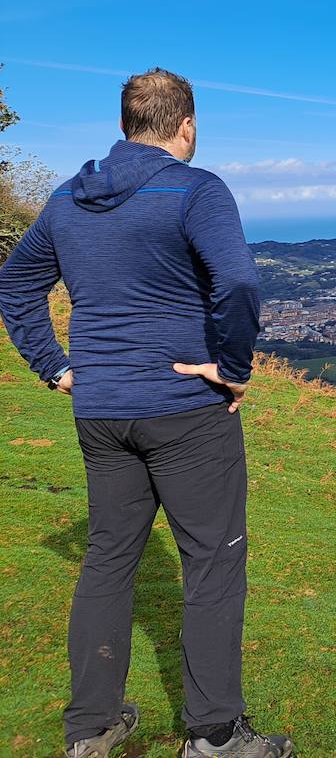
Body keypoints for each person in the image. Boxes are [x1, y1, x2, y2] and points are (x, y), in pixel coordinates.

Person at [0, 69, 293, 758]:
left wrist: (58, 366)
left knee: (106, 560)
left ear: (128, 122)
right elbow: (241, 280)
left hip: (100, 410)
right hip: (186, 408)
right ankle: (215, 734)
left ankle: (90, 729)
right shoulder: (196, 189)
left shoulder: (69, 198)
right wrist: (232, 367)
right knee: (214, 562)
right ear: (185, 124)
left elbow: (15, 282)